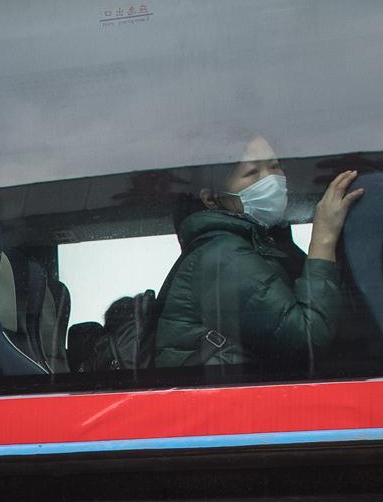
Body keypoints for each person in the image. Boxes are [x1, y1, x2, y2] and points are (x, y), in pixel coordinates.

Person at [155, 130, 363, 367]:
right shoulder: (223, 257)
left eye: (274, 167)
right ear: (212, 199)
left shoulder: (265, 244)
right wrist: (324, 237)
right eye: (252, 172)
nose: (270, 180)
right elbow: (306, 339)